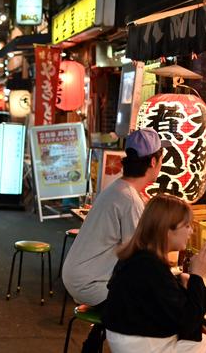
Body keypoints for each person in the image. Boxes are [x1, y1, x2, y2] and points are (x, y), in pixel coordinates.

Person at [62, 128, 163, 352]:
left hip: (78, 274)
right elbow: (140, 256)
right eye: (161, 158)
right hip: (91, 284)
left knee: (135, 293)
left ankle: (93, 341)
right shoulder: (129, 199)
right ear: (154, 161)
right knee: (149, 308)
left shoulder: (120, 188)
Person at [104, 195, 206, 353]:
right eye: (187, 226)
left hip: (128, 338)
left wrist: (179, 280)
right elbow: (188, 324)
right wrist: (197, 276)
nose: (191, 231)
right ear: (168, 229)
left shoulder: (140, 256)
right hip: (143, 344)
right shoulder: (149, 266)